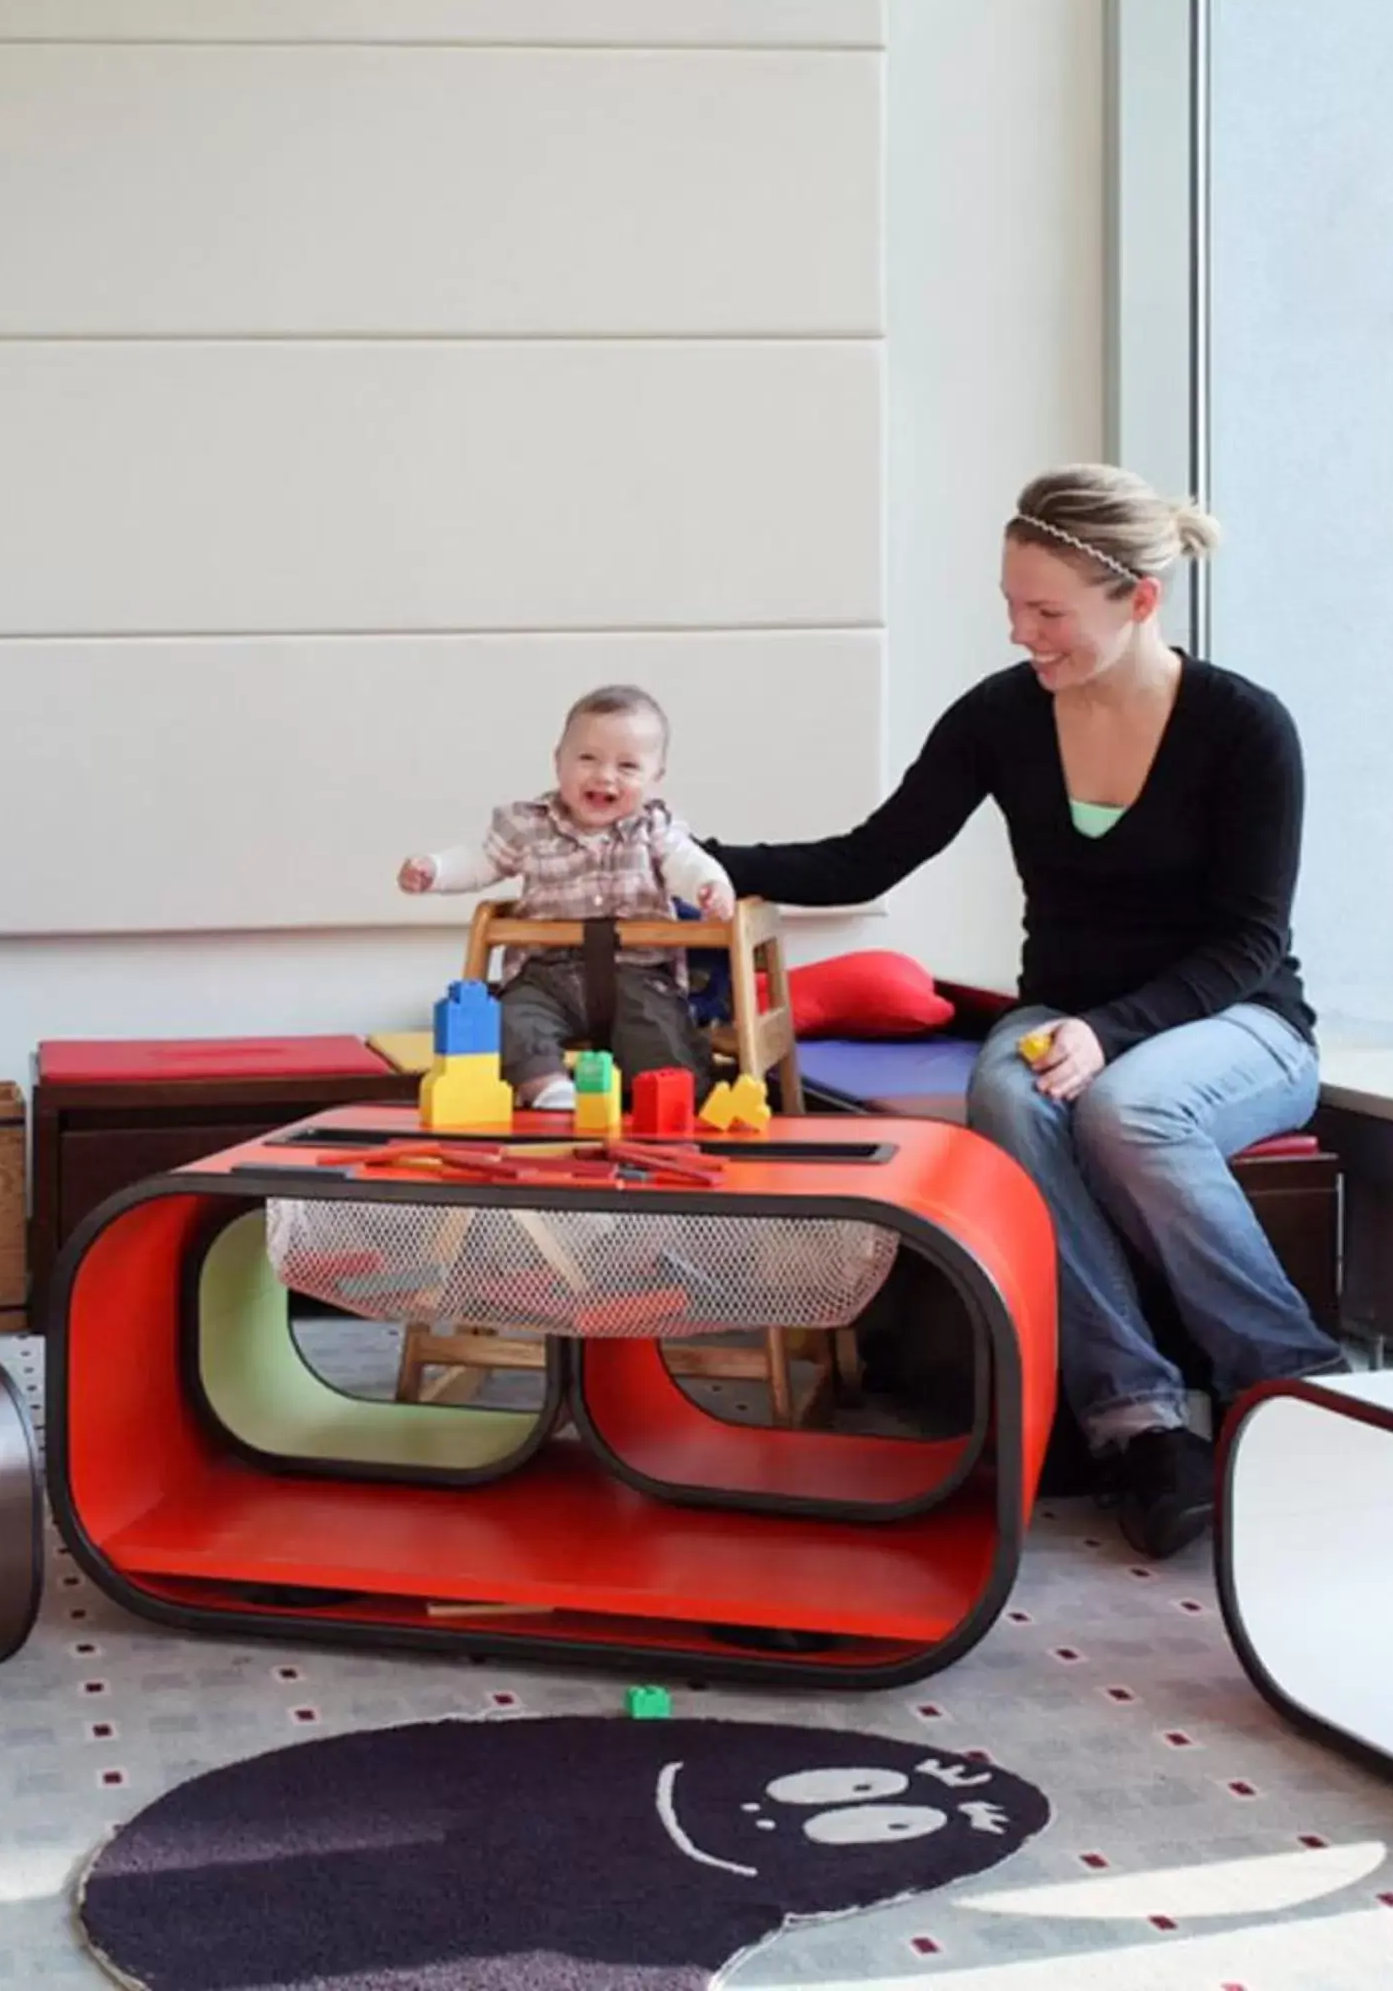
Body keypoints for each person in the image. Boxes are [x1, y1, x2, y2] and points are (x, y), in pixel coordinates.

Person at [699, 464, 1345, 1559]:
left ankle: (1295, 1391)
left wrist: (1113, 1030)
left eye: (1047, 612)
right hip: (1069, 1013)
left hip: (1238, 1024)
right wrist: (697, 857)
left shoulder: (1244, 727)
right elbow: (870, 853)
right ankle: (1137, 1422)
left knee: (1129, 1108)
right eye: (1011, 604)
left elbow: (1247, 943)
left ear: (1139, 598)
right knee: (1009, 1086)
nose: (1021, 633)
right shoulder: (1004, 718)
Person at [400, 684, 734, 1108]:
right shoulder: (528, 827)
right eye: (587, 758)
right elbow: (481, 861)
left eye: (628, 765)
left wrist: (710, 886)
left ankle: (660, 1106)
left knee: (664, 1038)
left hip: (639, 974)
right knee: (508, 1020)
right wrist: (435, 870)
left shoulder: (654, 830)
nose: (604, 775)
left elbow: (687, 864)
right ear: (558, 761)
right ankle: (549, 1092)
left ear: (655, 779)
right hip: (546, 973)